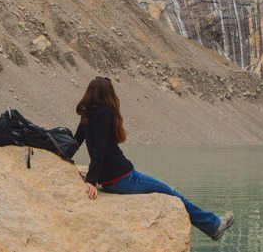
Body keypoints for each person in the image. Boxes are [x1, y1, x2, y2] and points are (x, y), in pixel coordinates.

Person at [72, 76, 235, 241]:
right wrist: (91, 181)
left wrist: (61, 156)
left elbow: (75, 142)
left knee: (169, 192)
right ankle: (214, 226)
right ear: (108, 95)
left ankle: (212, 225)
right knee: (172, 192)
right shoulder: (106, 112)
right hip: (123, 177)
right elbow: (100, 148)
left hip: (110, 181)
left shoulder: (86, 114)